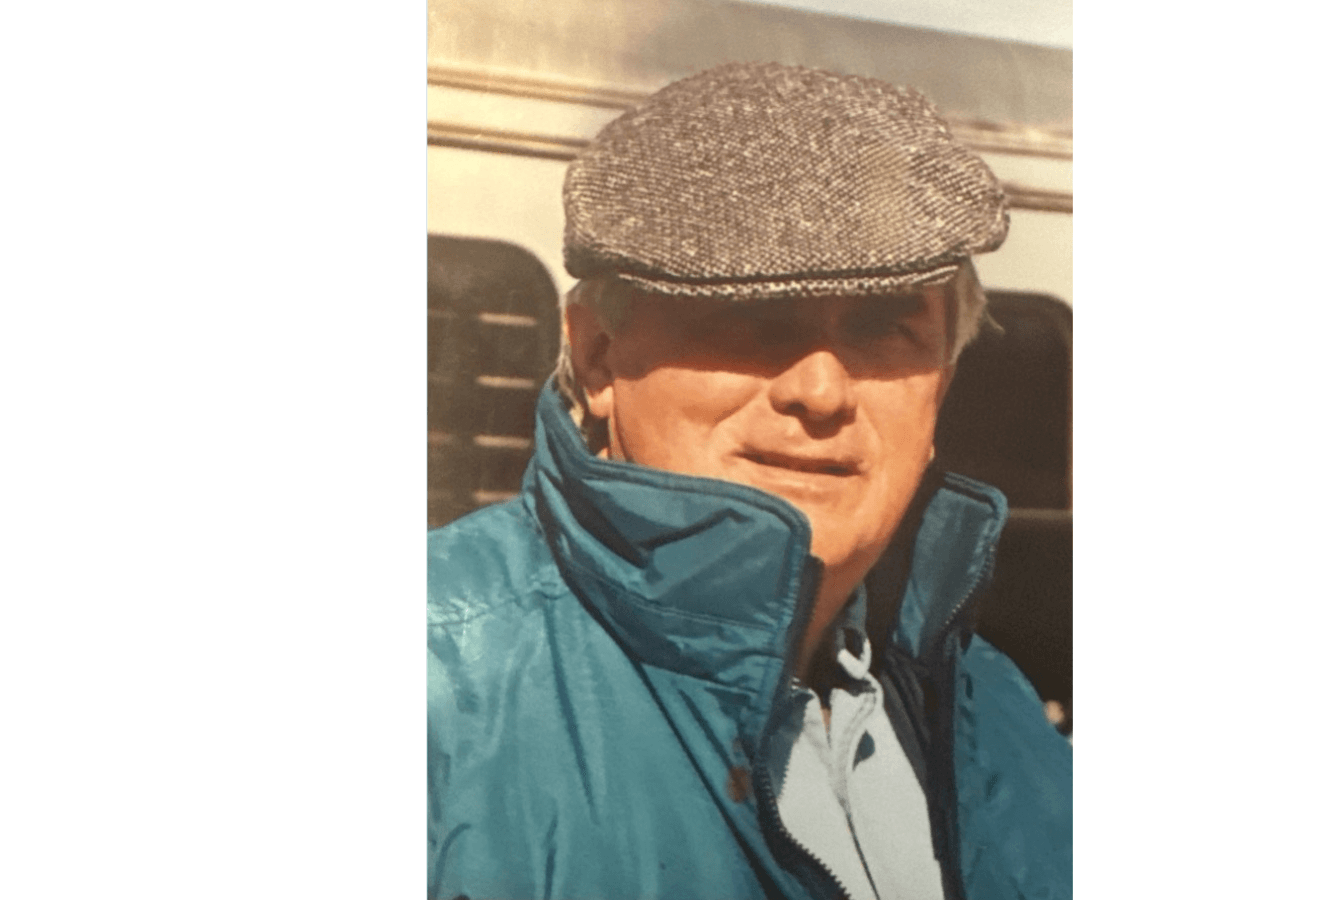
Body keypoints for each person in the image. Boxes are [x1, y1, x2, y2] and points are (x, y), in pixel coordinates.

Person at [428, 61, 1071, 900]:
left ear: (940, 385)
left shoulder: (998, 708)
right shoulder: (433, 683)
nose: (822, 391)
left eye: (886, 327)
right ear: (597, 357)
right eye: (752, 320)